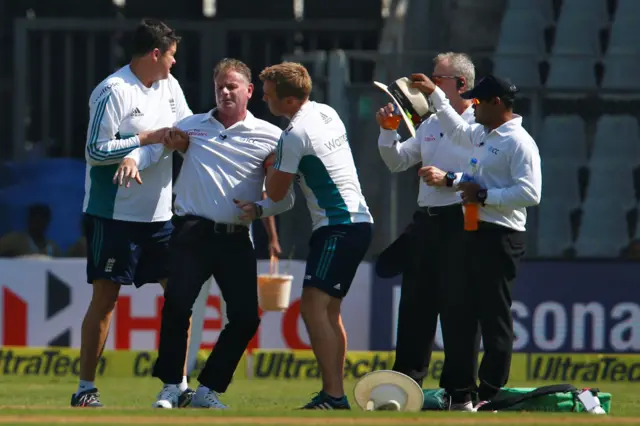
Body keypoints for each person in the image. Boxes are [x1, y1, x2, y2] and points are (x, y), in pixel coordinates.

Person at [118, 58, 295, 409]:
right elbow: (158, 146)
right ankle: (171, 386)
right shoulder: (192, 126)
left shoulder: (272, 136)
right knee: (177, 307)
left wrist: (260, 210)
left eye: (232, 86)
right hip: (191, 232)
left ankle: (208, 389)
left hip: (235, 236)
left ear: (249, 91)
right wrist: (134, 158)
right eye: (220, 86)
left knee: (245, 317)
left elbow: (284, 197)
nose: (225, 92)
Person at [72, 18, 194, 408]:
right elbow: (94, 151)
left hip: (159, 217)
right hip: (114, 216)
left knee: (180, 296)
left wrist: (152, 148)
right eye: (172, 56)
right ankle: (84, 389)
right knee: (105, 300)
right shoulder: (113, 90)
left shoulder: (170, 87)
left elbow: (183, 132)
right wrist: (142, 140)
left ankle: (176, 384)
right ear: (155, 54)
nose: (175, 64)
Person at [410, 73, 541, 409]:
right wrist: (437, 94)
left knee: (493, 315)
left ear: (497, 103)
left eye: (480, 102)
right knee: (459, 312)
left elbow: (530, 193)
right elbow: (457, 131)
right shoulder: (484, 134)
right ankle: (460, 392)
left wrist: (483, 195)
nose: (474, 108)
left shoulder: (519, 142)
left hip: (501, 236)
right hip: (472, 231)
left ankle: (490, 392)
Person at [261, 62, 374, 410]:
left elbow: (276, 193)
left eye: (268, 95)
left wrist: (270, 164)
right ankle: (334, 393)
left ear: (290, 100)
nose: (264, 100)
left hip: (338, 227)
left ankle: (334, 395)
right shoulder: (326, 112)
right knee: (328, 311)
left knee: (312, 309)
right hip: (358, 223)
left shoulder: (294, 134)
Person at [376, 52, 481, 411]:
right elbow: (398, 161)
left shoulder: (480, 124)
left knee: (458, 309)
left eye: (440, 79)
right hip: (428, 221)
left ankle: (460, 393)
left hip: (461, 221)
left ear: (462, 85)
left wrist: (447, 181)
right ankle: (405, 389)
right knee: (415, 308)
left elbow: (474, 160)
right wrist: (387, 133)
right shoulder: (433, 123)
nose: (431, 85)